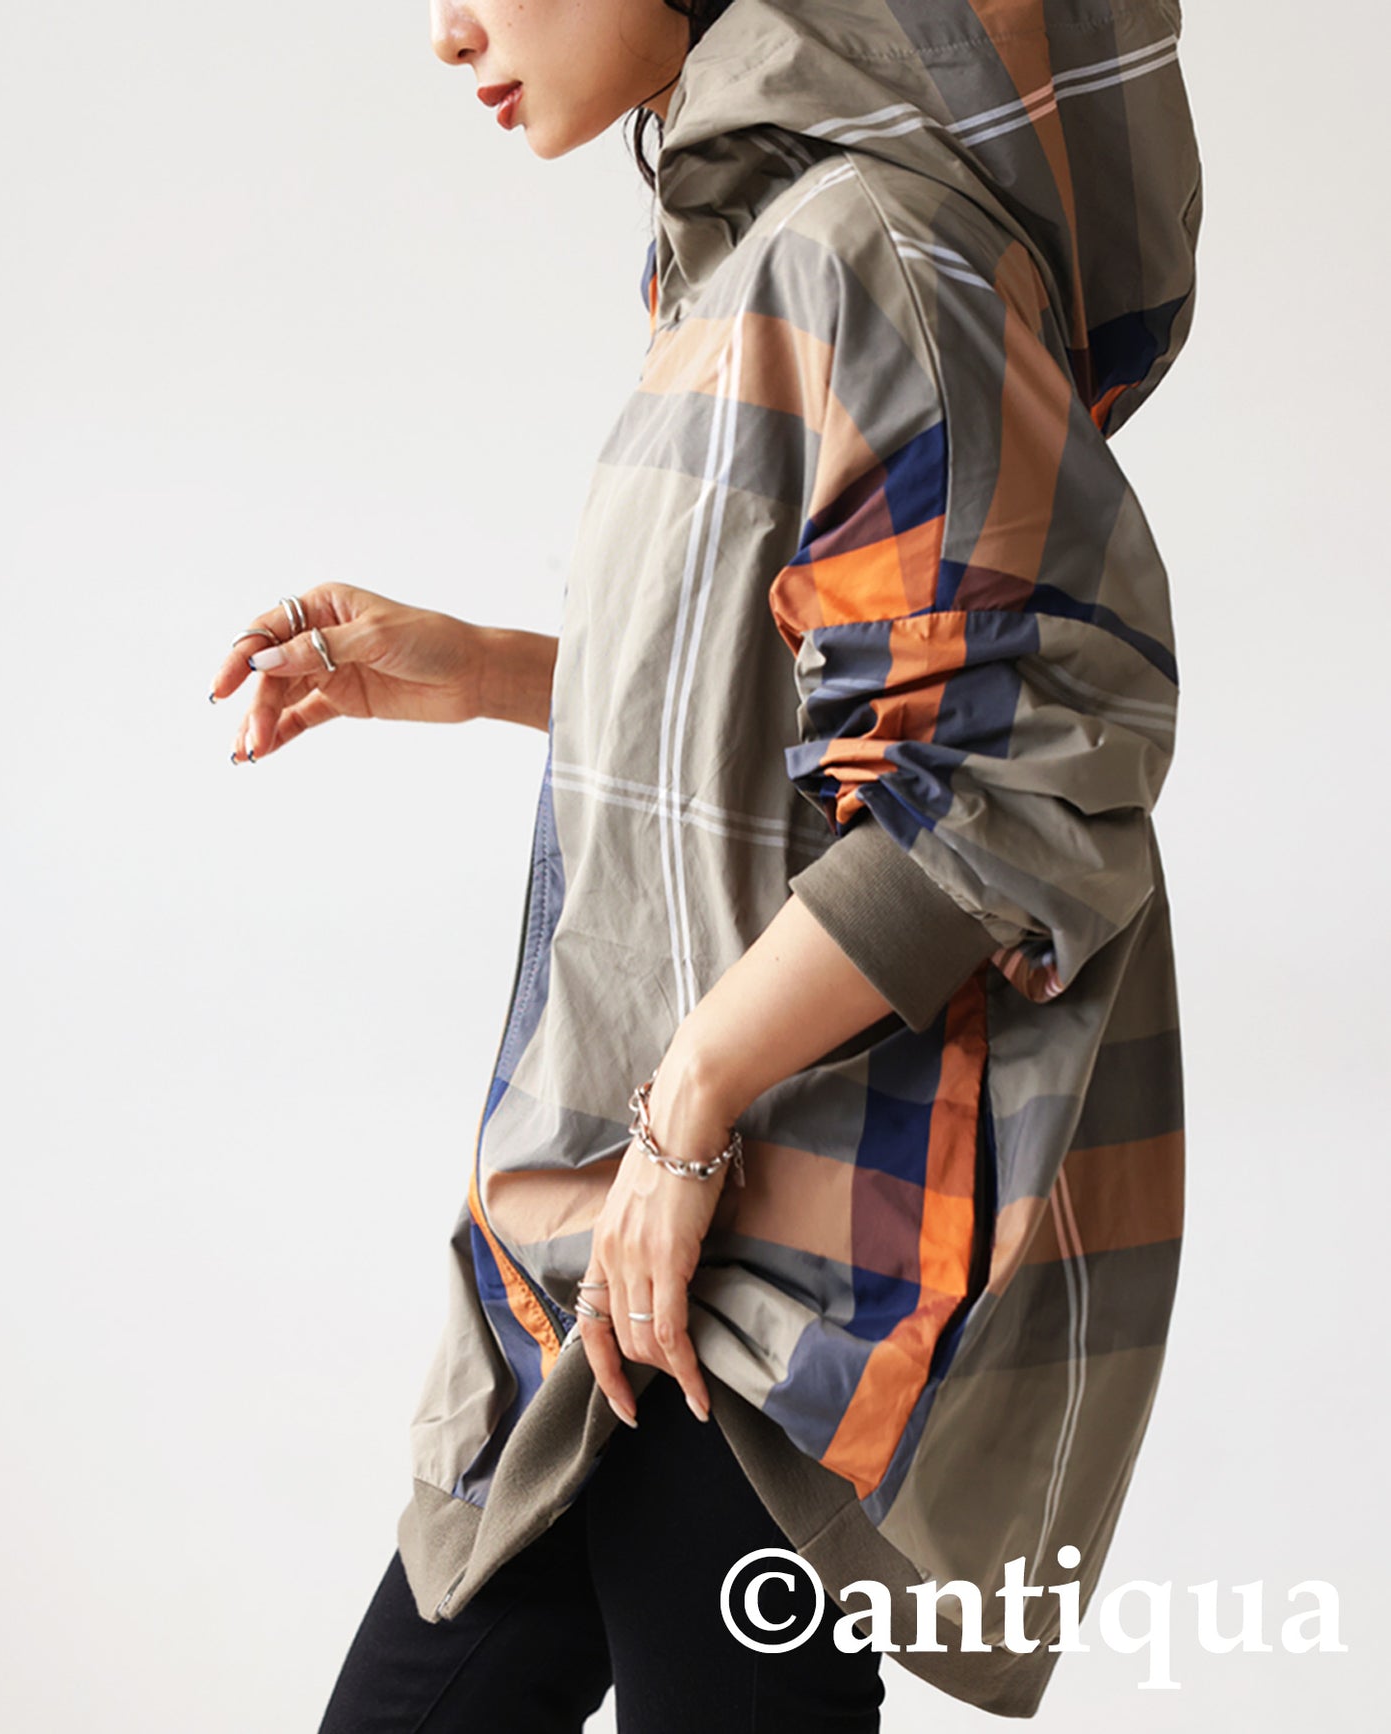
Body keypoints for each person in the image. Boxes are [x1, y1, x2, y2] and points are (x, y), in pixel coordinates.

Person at [209, 0, 1202, 1725]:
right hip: (633, 1235)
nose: (447, 32)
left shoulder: (866, 247)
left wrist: (687, 1113)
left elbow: (1018, 767)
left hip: (769, 1249)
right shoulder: (741, 255)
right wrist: (496, 669)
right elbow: (798, 701)